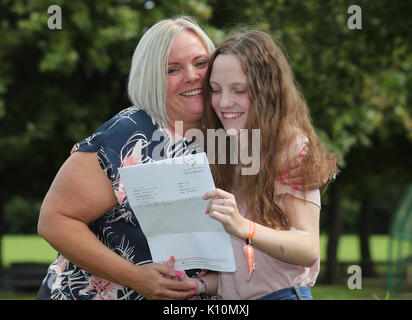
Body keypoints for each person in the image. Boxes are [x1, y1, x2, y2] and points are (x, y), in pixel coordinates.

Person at [36, 16, 328, 300]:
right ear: (152, 77)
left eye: (201, 63)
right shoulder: (129, 133)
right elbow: (54, 219)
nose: (192, 76)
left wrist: (311, 163)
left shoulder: (226, 132)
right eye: (172, 69)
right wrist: (135, 277)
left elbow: (277, 152)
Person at [180, 30, 339, 300]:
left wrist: (244, 227)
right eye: (216, 90)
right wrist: (200, 286)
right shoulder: (225, 148)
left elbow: (307, 247)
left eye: (239, 90)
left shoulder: (291, 147)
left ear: (267, 92)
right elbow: (248, 271)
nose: (224, 102)